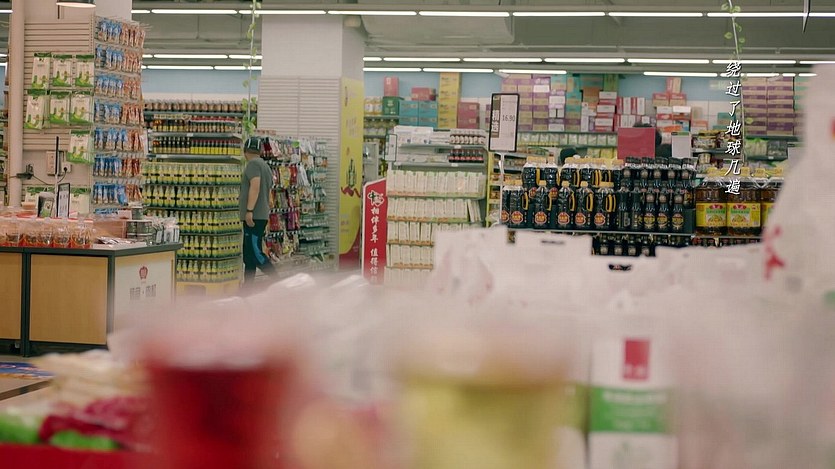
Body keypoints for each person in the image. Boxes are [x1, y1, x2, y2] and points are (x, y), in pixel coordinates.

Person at [240, 137, 277, 285]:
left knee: (255, 253)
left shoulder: (253, 164)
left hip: (254, 216)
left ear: (245, 151)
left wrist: (249, 211)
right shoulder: (265, 166)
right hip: (260, 215)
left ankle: (278, 281)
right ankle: (247, 289)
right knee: (249, 256)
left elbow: (255, 187)